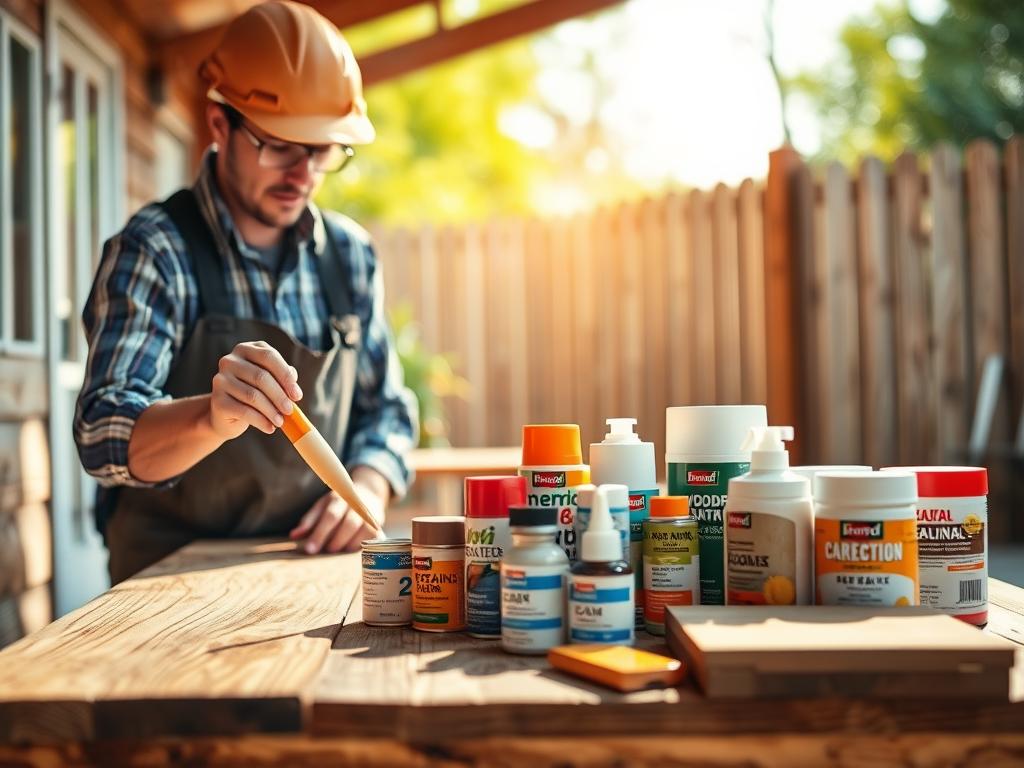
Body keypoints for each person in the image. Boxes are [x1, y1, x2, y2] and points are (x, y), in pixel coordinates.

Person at [73, 0, 417, 583]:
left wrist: (370, 486)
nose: (303, 173)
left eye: (323, 150)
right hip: (165, 590)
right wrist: (211, 417)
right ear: (218, 124)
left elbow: (386, 410)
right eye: (281, 144)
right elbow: (104, 435)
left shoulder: (350, 258)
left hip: (310, 573)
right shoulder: (156, 250)